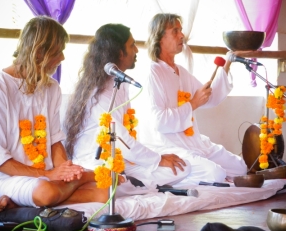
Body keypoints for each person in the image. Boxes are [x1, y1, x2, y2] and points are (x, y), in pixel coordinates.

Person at [0, 16, 112, 214]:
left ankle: (21, 202)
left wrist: (66, 171)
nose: (63, 58)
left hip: (47, 176)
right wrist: (49, 174)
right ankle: (39, 196)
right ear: (39, 52)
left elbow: (55, 140)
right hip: (6, 179)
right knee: (46, 192)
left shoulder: (51, 88)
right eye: (58, 52)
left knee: (105, 191)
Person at [64, 23, 192, 191]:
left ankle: (135, 184)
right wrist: (157, 159)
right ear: (119, 52)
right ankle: (133, 185)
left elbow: (125, 140)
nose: (137, 50)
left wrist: (156, 160)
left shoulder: (120, 84)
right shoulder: (99, 93)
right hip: (97, 163)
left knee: (183, 167)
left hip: (122, 161)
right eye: (132, 45)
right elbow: (119, 138)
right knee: (114, 184)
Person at [136, 13, 247, 184]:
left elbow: (211, 98)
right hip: (169, 146)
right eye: (175, 31)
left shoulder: (181, 71)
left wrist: (228, 63)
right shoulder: (153, 73)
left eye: (181, 30)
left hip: (194, 142)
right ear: (159, 37)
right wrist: (193, 103)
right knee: (215, 174)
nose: (182, 35)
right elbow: (159, 121)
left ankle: (209, 176)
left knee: (240, 168)